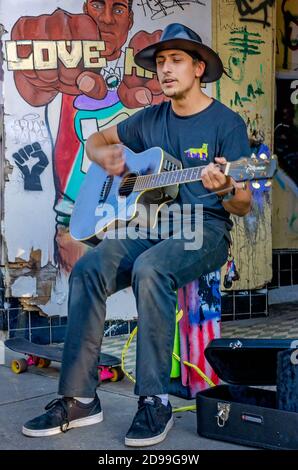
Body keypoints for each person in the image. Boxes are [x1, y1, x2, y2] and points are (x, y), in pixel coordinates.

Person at [22, 23, 252, 447]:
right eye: (160, 62)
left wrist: (228, 187)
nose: (165, 69)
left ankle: (154, 400)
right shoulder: (149, 119)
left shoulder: (227, 124)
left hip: (203, 229)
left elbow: (243, 204)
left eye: (176, 60)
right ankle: (78, 399)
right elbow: (95, 141)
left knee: (150, 269)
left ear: (199, 68)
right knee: (90, 266)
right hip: (149, 227)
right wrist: (104, 155)